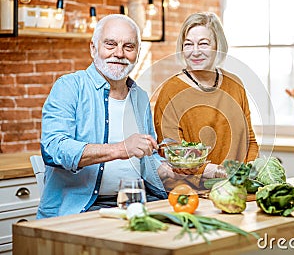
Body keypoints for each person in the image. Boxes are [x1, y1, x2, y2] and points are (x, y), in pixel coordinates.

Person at [37, 14, 169, 219]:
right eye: (110, 44)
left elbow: (148, 158)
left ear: (138, 53)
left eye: (129, 47)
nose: (119, 53)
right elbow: (53, 149)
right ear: (93, 48)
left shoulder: (140, 97)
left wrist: (175, 172)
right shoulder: (69, 87)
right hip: (83, 209)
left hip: (138, 203)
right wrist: (121, 148)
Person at [154, 12, 259, 189]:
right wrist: (216, 172)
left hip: (236, 190)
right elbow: (172, 152)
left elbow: (250, 140)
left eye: (203, 43)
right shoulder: (171, 91)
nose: (195, 51)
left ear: (218, 45)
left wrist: (246, 173)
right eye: (188, 44)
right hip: (190, 193)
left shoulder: (235, 84)